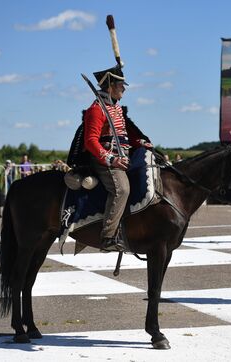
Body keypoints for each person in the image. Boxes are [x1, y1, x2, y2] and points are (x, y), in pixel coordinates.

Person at [83, 64, 153, 251]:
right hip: (104, 161)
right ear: (110, 86)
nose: (123, 88)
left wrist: (139, 142)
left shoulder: (116, 108)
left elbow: (123, 135)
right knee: (121, 189)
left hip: (123, 157)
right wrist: (111, 159)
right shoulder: (97, 109)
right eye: (120, 85)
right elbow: (90, 141)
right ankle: (108, 236)